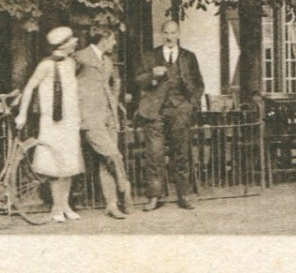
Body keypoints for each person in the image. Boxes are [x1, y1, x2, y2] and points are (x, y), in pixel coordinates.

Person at [134, 18, 204, 210]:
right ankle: (155, 197)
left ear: (178, 34)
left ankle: (183, 195)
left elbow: (198, 84)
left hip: (180, 110)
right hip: (155, 111)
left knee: (181, 153)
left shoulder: (188, 57)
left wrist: (190, 105)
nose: (170, 36)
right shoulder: (150, 56)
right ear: (161, 34)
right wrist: (153, 75)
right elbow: (139, 80)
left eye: (173, 33)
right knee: (154, 154)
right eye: (166, 33)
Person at [16, 26, 83, 223]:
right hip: (52, 121)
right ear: (63, 45)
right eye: (72, 41)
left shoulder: (71, 63)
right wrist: (22, 114)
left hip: (69, 120)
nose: (75, 43)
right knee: (56, 163)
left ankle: (65, 205)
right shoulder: (45, 65)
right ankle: (56, 206)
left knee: (70, 163)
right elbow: (29, 88)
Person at [74, 24, 132, 219]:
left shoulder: (108, 60)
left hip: (108, 116)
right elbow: (66, 84)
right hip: (90, 117)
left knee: (105, 162)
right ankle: (124, 185)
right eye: (112, 39)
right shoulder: (80, 56)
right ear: (103, 39)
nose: (115, 43)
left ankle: (111, 204)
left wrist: (114, 103)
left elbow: (116, 82)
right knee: (113, 154)